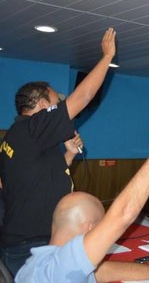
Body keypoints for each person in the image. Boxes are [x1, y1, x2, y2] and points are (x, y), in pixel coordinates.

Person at [0, 28, 116, 275]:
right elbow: (83, 96)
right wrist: (107, 57)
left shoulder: (19, 136)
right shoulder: (31, 129)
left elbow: (37, 177)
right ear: (41, 105)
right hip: (30, 245)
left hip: (28, 241)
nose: (60, 105)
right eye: (56, 101)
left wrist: (70, 155)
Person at [16, 113, 149, 283]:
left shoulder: (45, 260)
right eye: (100, 226)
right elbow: (123, 215)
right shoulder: (60, 269)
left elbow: (99, 271)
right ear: (89, 229)